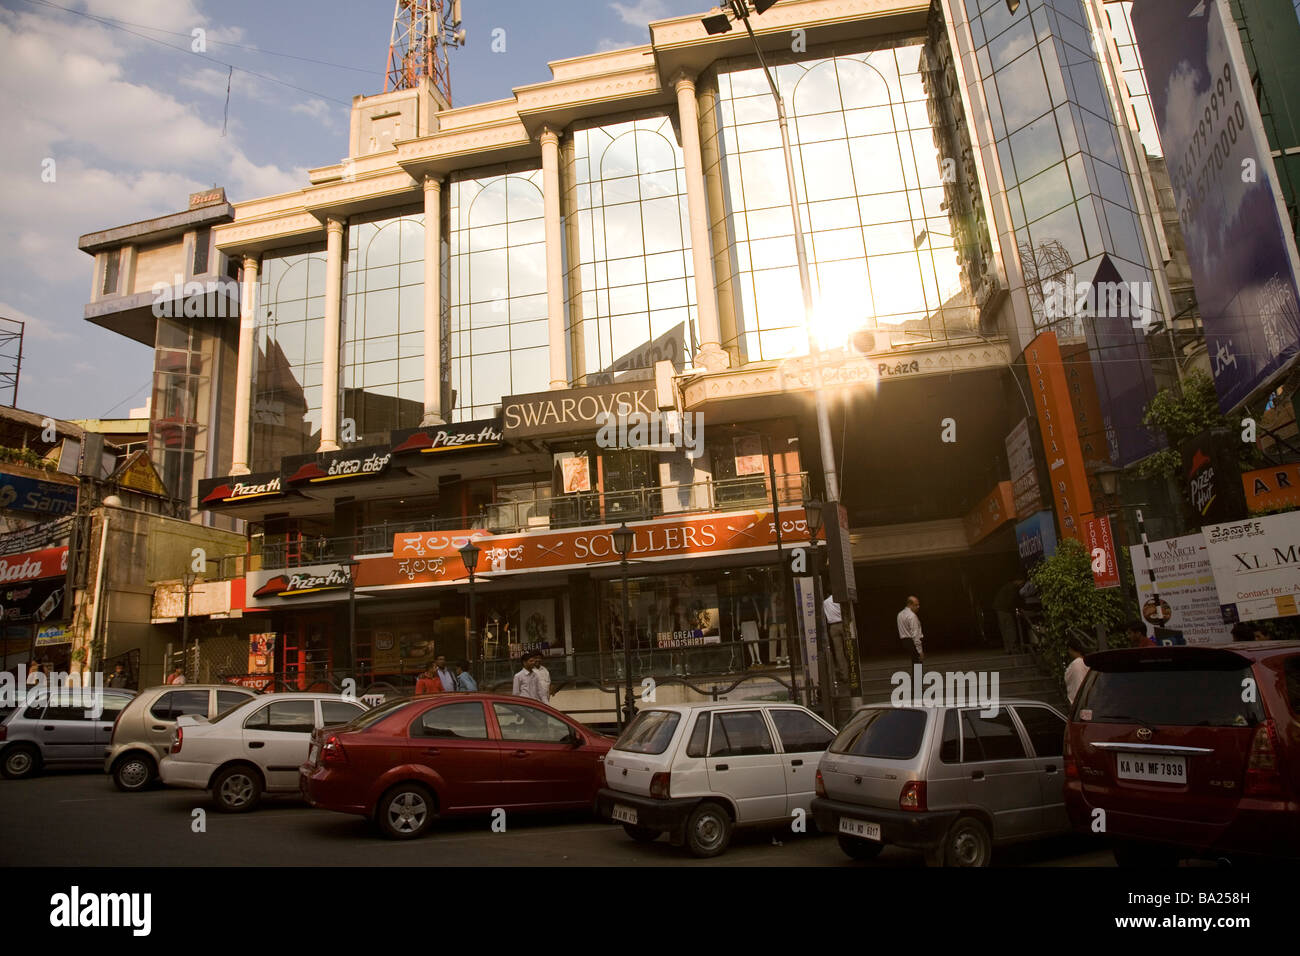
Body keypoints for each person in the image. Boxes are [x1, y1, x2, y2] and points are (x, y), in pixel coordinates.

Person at [993, 578, 1025, 652]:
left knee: (1004, 629)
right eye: (1022, 583)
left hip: (999, 609)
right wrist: (1015, 609)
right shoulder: (1012, 588)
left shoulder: (1007, 586)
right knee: (1011, 628)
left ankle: (1007, 648)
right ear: (1018, 580)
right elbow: (1011, 601)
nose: (1022, 585)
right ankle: (1013, 647)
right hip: (1005, 609)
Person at [822, 594, 848, 678]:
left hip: (833, 627)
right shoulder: (839, 600)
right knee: (848, 648)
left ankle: (844, 674)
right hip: (843, 624)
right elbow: (845, 612)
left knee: (838, 652)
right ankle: (852, 671)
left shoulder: (825, 602)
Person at [897, 596, 924, 663]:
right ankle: (917, 674)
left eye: (918, 604)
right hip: (912, 641)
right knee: (918, 663)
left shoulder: (900, 614)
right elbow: (915, 634)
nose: (918, 607)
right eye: (916, 605)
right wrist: (920, 651)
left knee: (915, 662)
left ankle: (916, 673)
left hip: (905, 641)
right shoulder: (912, 616)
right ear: (910, 605)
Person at [1064, 638, 1089, 706]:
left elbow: (1077, 685)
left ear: (1071, 649)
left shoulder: (1076, 664)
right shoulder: (1087, 662)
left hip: (1079, 702)